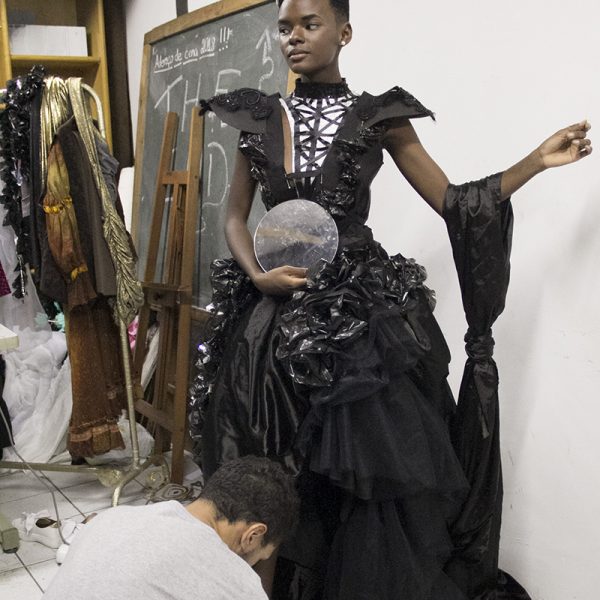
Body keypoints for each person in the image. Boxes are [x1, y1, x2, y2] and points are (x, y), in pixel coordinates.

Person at [189, 1, 593, 599]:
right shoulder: (257, 116)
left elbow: (453, 201)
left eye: (309, 25)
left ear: (344, 32)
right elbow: (234, 217)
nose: (293, 38)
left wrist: (533, 162)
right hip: (273, 312)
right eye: (284, 28)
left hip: (357, 318)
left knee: (364, 469)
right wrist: (258, 275)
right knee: (266, 460)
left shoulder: (380, 116)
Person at [42, 456, 300, 600]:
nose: (253, 565)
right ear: (253, 535)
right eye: (259, 557)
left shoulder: (111, 518)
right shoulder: (239, 587)